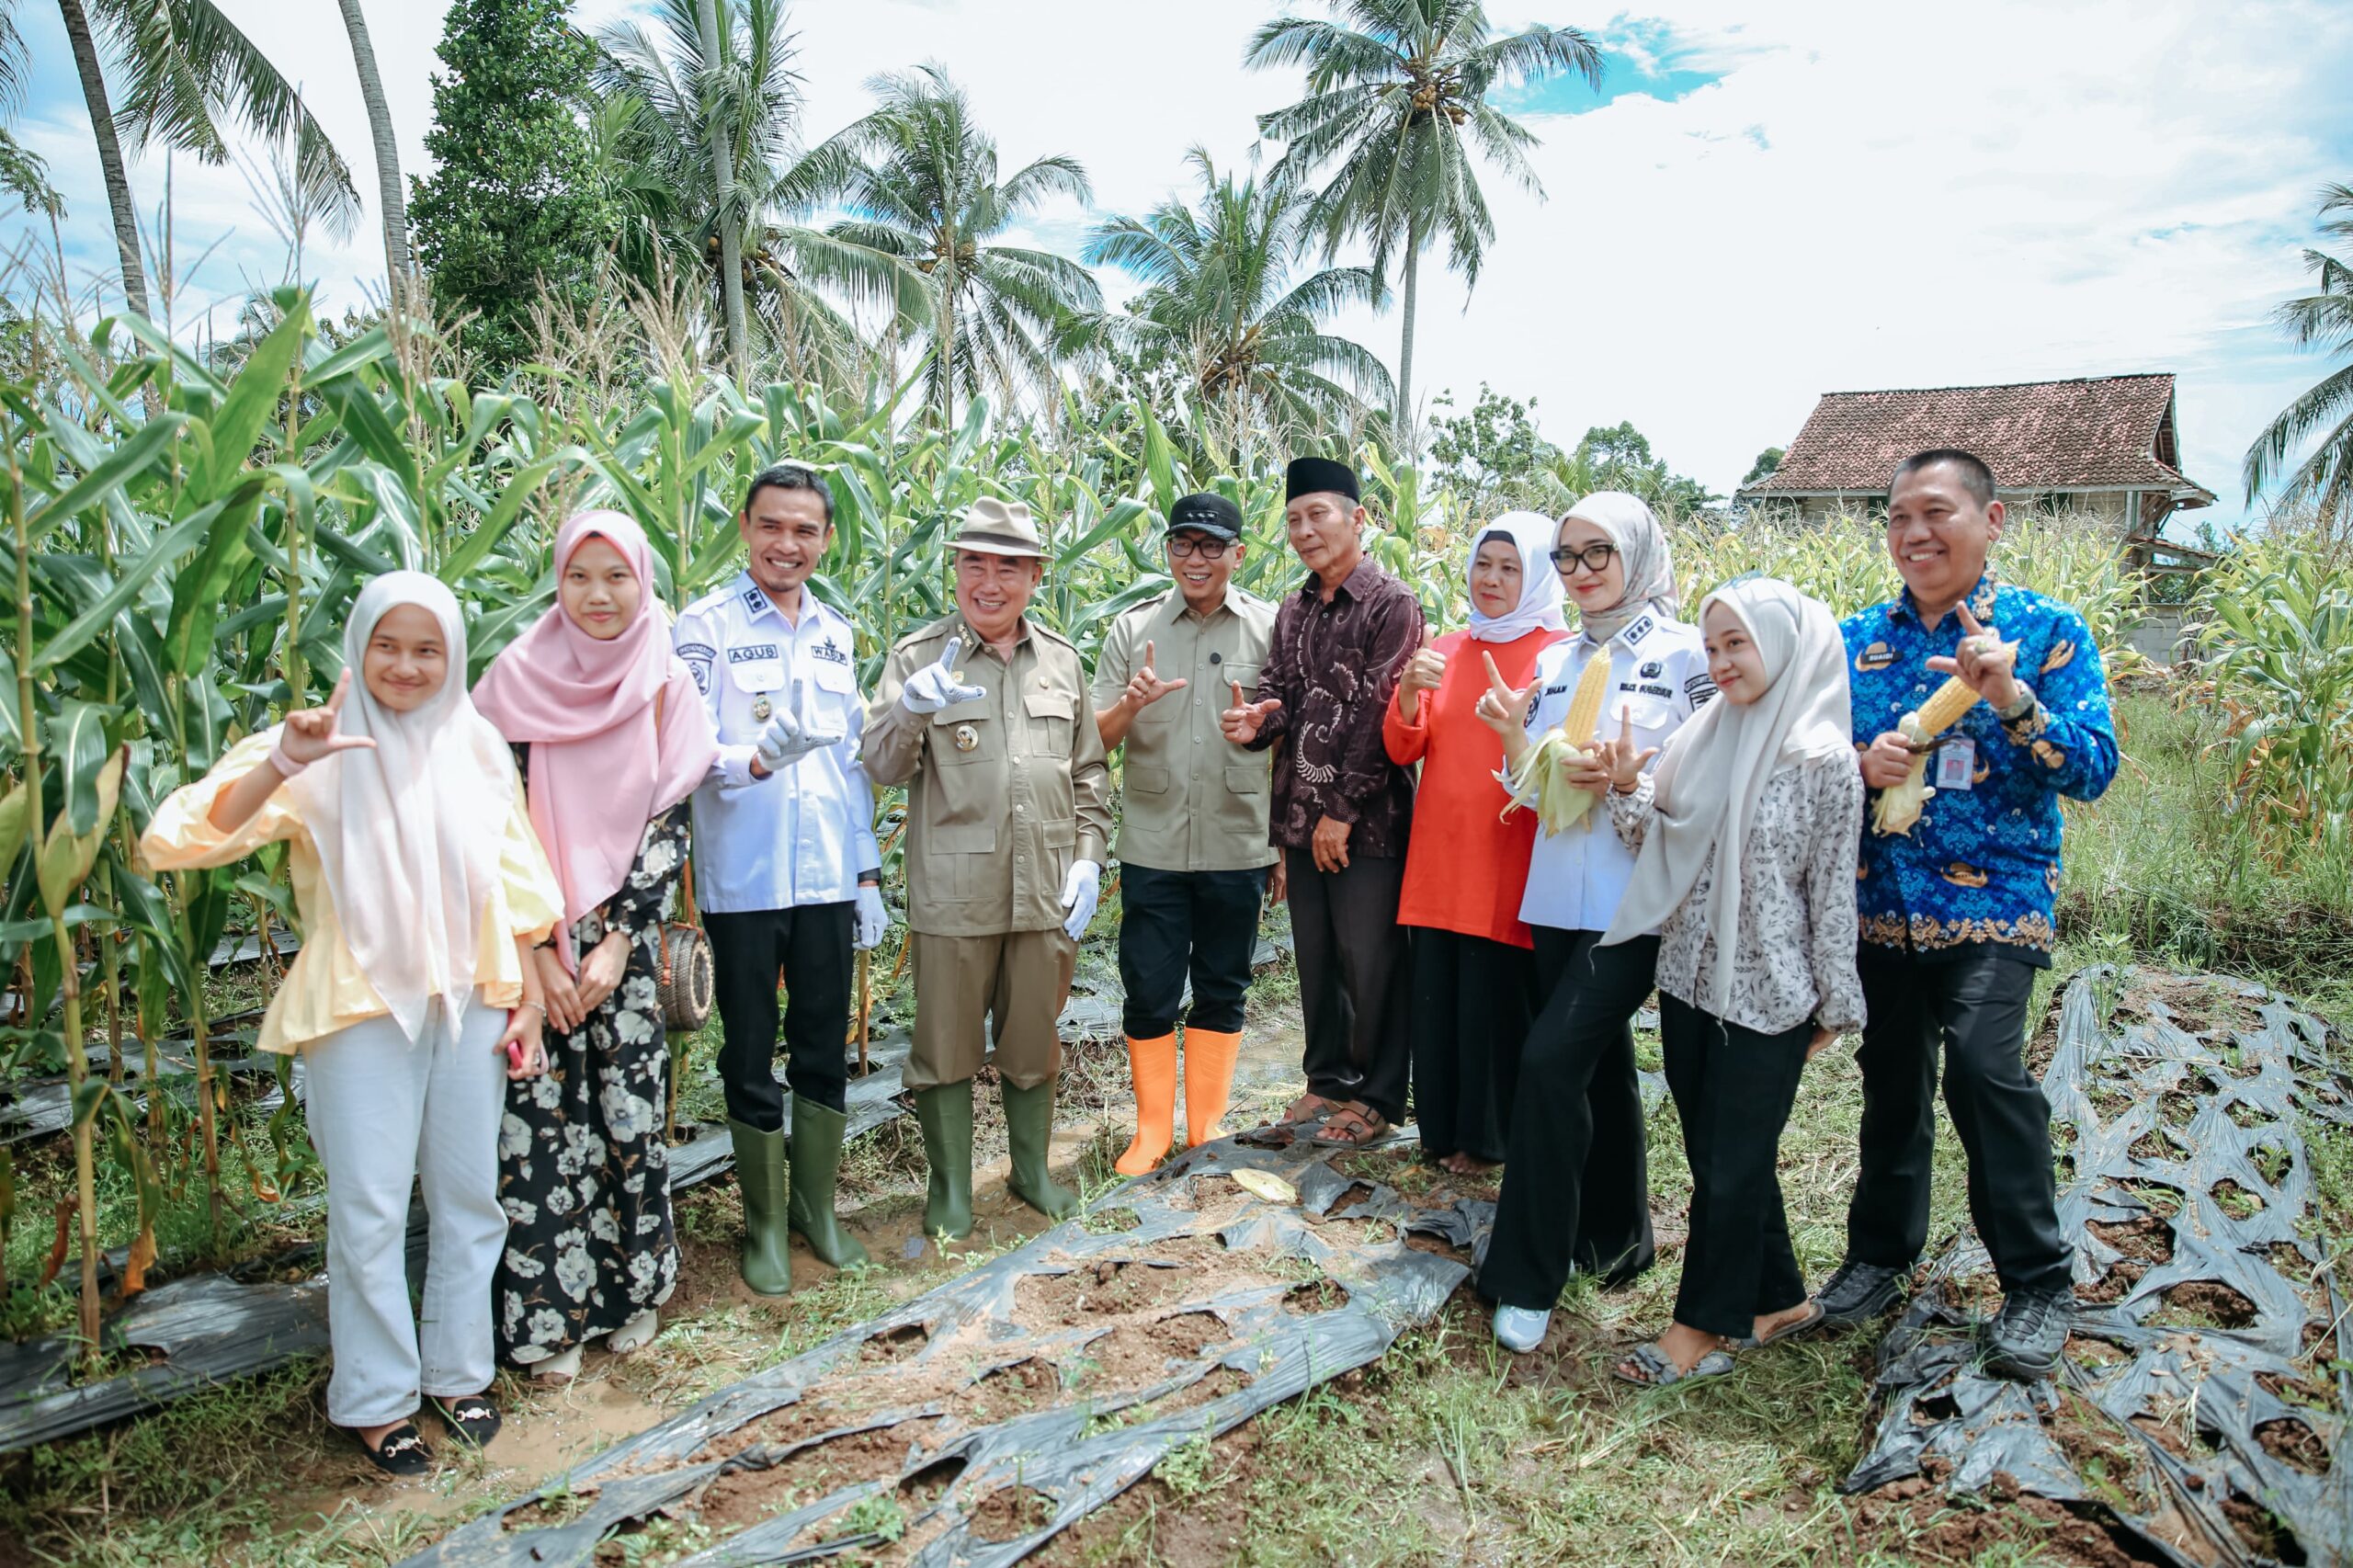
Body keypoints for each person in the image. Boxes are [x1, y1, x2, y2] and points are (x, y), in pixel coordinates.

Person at [142, 574, 563, 1474]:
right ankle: (377, 1399)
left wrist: (529, 998)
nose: (406, 666)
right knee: (368, 1208)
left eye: (427, 649)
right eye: (387, 645)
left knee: (469, 1197)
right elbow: (183, 837)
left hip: (470, 998)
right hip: (358, 1003)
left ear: (453, 656)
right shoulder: (318, 743)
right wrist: (283, 763)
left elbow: (517, 883)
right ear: (358, 647)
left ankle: (458, 1371)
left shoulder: (476, 744)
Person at [1812, 449, 2117, 1380]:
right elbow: (1804, 758)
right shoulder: (1854, 640)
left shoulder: (2047, 632)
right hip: (1883, 901)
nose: (1914, 533)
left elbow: (2093, 768)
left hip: (1997, 901)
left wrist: (2012, 700)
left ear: (1992, 519)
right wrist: (1857, 766)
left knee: (1984, 1071)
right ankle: (1879, 1255)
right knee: (1891, 1081)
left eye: (1935, 512)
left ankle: (2037, 1280)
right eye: (1898, 517)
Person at [1595, 576, 1864, 1386]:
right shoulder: (1707, 733)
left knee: (1735, 1159)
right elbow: (1657, 842)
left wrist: (1837, 1002)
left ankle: (1699, 1326)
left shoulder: (1823, 761)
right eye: (1711, 647)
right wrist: (1625, 787)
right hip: (1688, 980)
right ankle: (1779, 1300)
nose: (1720, 662)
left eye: (1736, 643)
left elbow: (1832, 893)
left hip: (1772, 994)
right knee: (1717, 1154)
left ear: (1783, 644)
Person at [472, 509, 721, 1381]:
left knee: (627, 1116)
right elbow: (495, 821)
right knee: (537, 1123)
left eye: (617, 576)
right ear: (557, 581)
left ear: (642, 581)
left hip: (627, 938)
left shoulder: (664, 683)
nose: (599, 595)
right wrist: (539, 948)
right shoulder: (514, 680)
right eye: (580, 576)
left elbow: (668, 818)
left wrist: (617, 941)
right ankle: (552, 1321)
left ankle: (636, 1292)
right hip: (528, 937)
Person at [1473, 494, 1713, 1353]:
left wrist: (1629, 780)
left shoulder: (1687, 656)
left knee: (1547, 1065)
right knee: (1598, 1067)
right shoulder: (1556, 659)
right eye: (1567, 557)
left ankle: (1526, 1275)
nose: (1579, 572)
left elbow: (1709, 783)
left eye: (1597, 553)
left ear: (1638, 554)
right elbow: (1531, 788)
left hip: (1636, 903)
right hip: (1554, 894)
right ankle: (1615, 1238)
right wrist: (1515, 739)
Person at [864, 498, 1115, 1238]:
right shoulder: (919, 658)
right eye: (974, 563)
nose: (989, 581)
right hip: (955, 894)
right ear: (955, 571)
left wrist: (1089, 861)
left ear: (1036, 577)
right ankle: (950, 1190)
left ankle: (1030, 1171)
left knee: (1033, 1039)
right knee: (944, 1046)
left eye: (1008, 566)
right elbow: (881, 765)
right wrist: (911, 710)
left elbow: (1089, 774)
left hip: (1045, 893)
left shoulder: (1061, 661)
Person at [673, 464, 888, 1297]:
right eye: (771, 526)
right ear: (745, 527)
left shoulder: (835, 632)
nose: (786, 544)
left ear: (826, 539)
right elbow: (686, 750)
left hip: (827, 877)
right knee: (750, 1050)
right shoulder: (707, 626)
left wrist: (866, 872)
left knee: (823, 1044)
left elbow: (851, 765)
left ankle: (815, 1210)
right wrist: (754, 761)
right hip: (746, 881)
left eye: (805, 530)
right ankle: (763, 1225)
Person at [1222, 458, 1421, 1150]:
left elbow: (1380, 710)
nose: (1305, 531)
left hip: (1369, 821)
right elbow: (1281, 693)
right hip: (1300, 815)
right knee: (1318, 955)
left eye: (1318, 515)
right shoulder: (1296, 609)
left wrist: (1341, 810)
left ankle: (1379, 1095)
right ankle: (1328, 1078)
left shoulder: (1391, 604)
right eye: (1294, 520)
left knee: (1371, 959)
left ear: (1357, 519)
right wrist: (1257, 725)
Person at [1091, 492, 1280, 1174]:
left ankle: (1206, 1128)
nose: (1195, 559)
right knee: (1149, 987)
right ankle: (1151, 1132)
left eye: (1211, 546)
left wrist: (1283, 846)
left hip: (1239, 840)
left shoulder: (1271, 628)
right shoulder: (1133, 629)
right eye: (1183, 543)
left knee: (1224, 984)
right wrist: (1128, 705)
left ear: (1238, 554)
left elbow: (1290, 742)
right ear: (1167, 549)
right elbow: (1095, 739)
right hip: (1154, 843)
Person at [1382, 512, 1566, 1174]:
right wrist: (1407, 691)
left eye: (1510, 568)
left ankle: (1489, 1140)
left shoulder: (1559, 654)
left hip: (1508, 856)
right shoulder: (1448, 648)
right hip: (1439, 856)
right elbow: (1403, 746)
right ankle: (1440, 1130)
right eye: (1484, 564)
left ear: (1538, 576)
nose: (1492, 579)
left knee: (1493, 1000)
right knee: (1438, 998)